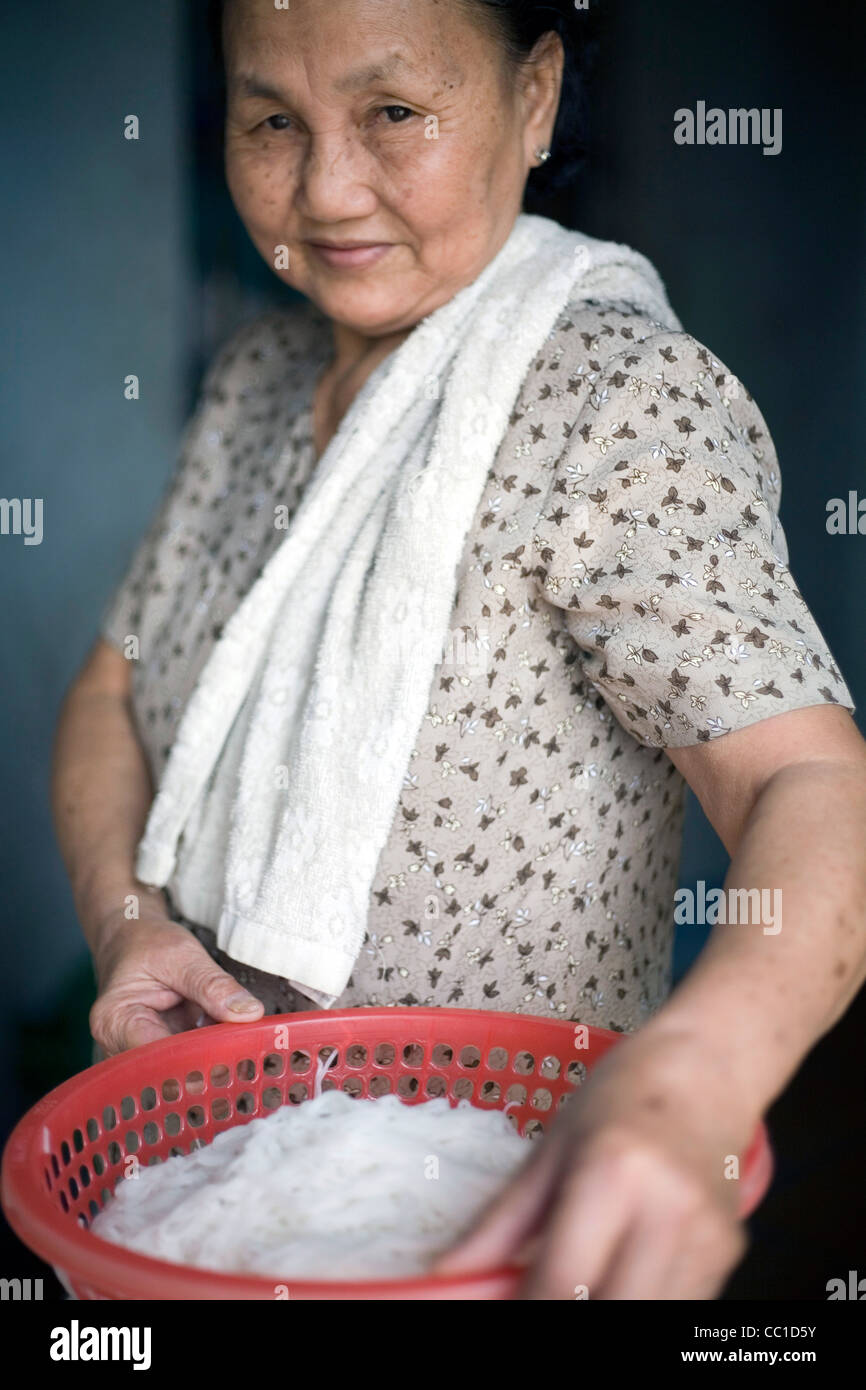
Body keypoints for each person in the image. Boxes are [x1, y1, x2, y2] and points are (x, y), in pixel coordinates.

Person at [52, 0, 865, 1299]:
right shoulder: (256, 382)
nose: (324, 188)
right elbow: (114, 683)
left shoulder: (614, 406)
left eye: (391, 112)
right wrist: (127, 918)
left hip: (492, 1217)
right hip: (208, 1186)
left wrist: (692, 1084)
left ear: (533, 96)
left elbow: (809, 783)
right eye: (272, 120)